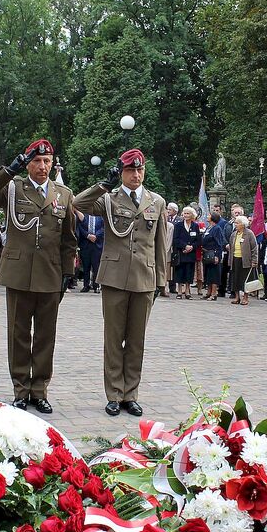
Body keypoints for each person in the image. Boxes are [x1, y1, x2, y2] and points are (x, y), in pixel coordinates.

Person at [0, 139, 77, 414]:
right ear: (28, 163)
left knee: (46, 336)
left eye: (46, 161)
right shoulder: (12, 188)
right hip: (19, 273)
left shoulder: (63, 194)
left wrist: (68, 272)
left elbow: (69, 238)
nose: (42, 166)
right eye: (36, 161)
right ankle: (21, 389)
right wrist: (11, 168)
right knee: (19, 334)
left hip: (50, 273)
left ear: (52, 163)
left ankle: (39, 390)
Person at [73, 148, 167, 417]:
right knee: (114, 339)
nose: (136, 175)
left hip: (144, 278)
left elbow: (161, 244)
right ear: (122, 173)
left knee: (137, 340)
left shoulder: (155, 201)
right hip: (114, 278)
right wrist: (105, 183)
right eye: (130, 170)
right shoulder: (108, 199)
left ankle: (131, 394)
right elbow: (78, 204)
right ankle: (114, 393)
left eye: (139, 170)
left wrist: (161, 280)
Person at [229, 215, 258, 306]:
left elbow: (254, 247)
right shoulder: (234, 234)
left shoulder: (249, 233)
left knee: (245, 279)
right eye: (235, 222)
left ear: (243, 224)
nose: (235, 224)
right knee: (235, 278)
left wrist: (254, 260)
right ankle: (237, 297)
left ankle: (245, 297)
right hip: (235, 258)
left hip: (245, 260)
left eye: (237, 223)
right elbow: (230, 247)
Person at [172, 206, 200, 299]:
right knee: (180, 271)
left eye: (188, 213)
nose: (186, 215)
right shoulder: (178, 225)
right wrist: (184, 246)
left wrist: (191, 247)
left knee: (189, 272)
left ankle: (187, 291)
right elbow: (175, 239)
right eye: (185, 213)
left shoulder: (195, 226)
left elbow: (198, 240)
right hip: (181, 253)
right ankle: (179, 291)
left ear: (192, 215)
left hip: (191, 253)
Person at [201, 212, 227, 300]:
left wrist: (217, 255)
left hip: (213, 253)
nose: (207, 216)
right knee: (208, 274)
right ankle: (208, 292)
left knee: (214, 274)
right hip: (207, 254)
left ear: (213, 218)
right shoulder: (209, 227)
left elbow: (219, 243)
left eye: (209, 215)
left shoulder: (217, 228)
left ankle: (214, 293)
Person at [77, 210, 104, 292]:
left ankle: (96, 285)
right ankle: (86, 285)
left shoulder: (101, 217)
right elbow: (80, 226)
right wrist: (87, 235)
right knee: (86, 267)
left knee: (96, 267)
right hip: (86, 245)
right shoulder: (84, 216)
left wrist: (96, 236)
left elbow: (104, 228)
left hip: (97, 245)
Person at [216, 205, 234, 298]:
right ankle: (221, 290)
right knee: (223, 271)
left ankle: (233, 291)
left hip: (236, 252)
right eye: (235, 212)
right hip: (227, 250)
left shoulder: (244, 224)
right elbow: (223, 235)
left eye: (238, 213)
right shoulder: (228, 224)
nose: (236, 214)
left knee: (233, 272)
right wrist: (226, 244)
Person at [164, 202, 179, 295]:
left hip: (168, 250)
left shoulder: (172, 225)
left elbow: (170, 240)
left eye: (170, 210)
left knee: (168, 270)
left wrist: (166, 250)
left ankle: (170, 287)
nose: (168, 212)